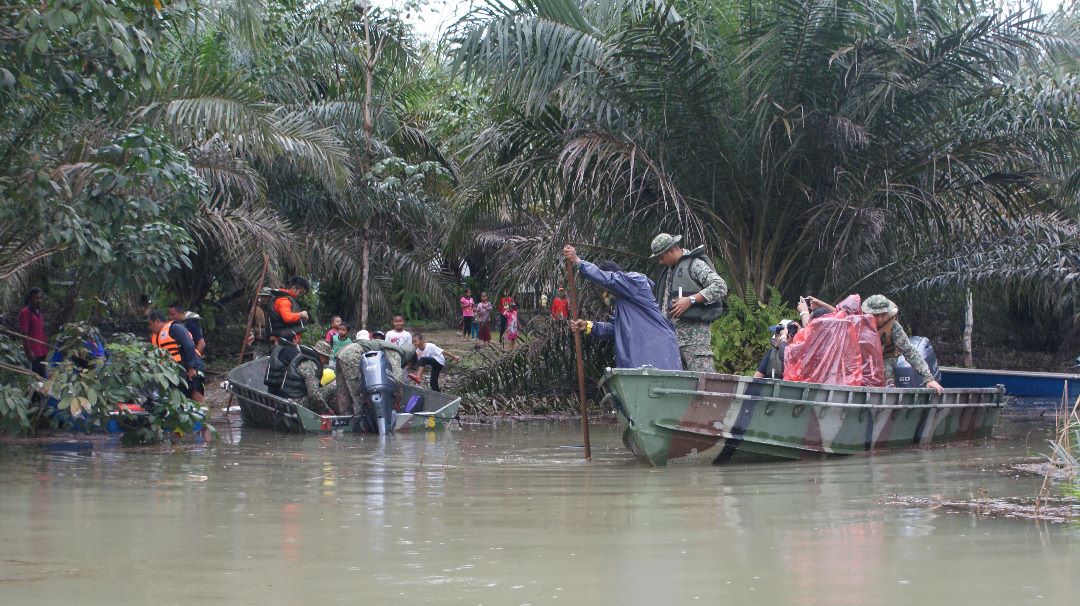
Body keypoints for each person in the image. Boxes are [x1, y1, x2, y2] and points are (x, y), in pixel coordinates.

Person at [563, 245, 682, 370]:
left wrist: (578, 261)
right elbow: (616, 329)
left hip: (657, 349)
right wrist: (589, 326)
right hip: (641, 355)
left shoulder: (636, 281)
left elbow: (607, 279)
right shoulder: (622, 302)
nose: (605, 291)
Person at [651, 233, 728, 372]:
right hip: (673, 342)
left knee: (704, 383)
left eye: (661, 257)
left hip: (695, 342)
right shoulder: (669, 271)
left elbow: (720, 286)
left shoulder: (694, 265)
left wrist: (691, 300)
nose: (660, 262)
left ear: (672, 250)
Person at [861, 295, 945, 394]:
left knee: (884, 372)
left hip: (886, 356)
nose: (879, 319)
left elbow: (910, 352)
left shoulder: (894, 327)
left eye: (883, 314)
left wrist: (929, 378)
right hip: (863, 358)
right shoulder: (860, 322)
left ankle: (889, 394)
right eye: (875, 315)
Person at [336, 336, 415, 415]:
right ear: (409, 359)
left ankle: (345, 419)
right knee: (358, 392)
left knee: (343, 391)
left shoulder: (389, 347)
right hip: (353, 354)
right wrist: (398, 398)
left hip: (343, 351)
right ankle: (359, 420)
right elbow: (397, 380)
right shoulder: (396, 353)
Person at [147, 310, 205, 402]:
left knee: (195, 393)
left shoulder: (175, 328)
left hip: (190, 367)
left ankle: (204, 414)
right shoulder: (155, 337)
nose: (149, 328)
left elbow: (189, 345)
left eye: (150, 324)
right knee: (181, 396)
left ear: (157, 321)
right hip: (175, 372)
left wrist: (191, 367)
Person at [265, 340, 336, 414]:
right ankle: (336, 416)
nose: (327, 361)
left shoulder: (304, 358)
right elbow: (313, 394)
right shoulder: (311, 365)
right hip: (295, 403)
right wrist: (327, 410)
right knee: (332, 388)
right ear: (321, 355)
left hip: (290, 399)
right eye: (327, 358)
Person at [270, 276, 311, 344]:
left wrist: (302, 318)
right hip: (284, 342)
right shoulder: (284, 300)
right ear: (293, 288)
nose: (300, 295)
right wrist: (301, 314)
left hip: (289, 340)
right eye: (300, 292)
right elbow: (287, 317)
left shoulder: (288, 299)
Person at [18, 287, 47, 378]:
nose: (38, 300)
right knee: (34, 379)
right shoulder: (25, 313)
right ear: (30, 299)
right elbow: (24, 334)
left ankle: (40, 393)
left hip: (42, 351)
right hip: (33, 353)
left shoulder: (39, 312)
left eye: (40, 298)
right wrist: (29, 351)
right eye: (35, 298)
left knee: (42, 379)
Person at [245, 287, 276, 359]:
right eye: (262, 296)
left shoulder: (275, 308)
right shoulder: (255, 308)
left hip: (273, 341)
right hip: (261, 340)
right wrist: (251, 334)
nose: (264, 299)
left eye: (266, 297)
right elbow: (250, 324)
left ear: (270, 297)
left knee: (273, 362)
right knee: (257, 360)